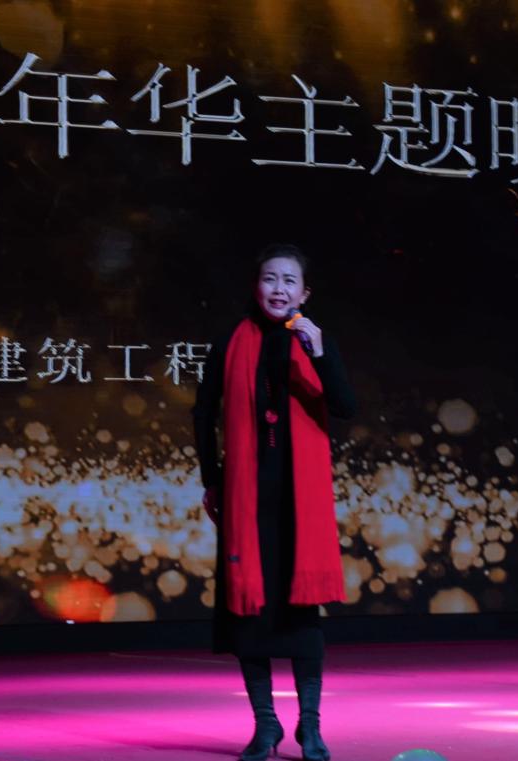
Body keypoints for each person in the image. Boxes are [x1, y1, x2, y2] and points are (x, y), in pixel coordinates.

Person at [192, 244, 356, 761]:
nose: (279, 289)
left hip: (298, 504)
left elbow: (345, 406)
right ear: (256, 286)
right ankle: (266, 725)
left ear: (304, 293)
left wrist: (319, 351)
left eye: (289, 281)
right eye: (270, 279)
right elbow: (203, 413)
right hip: (246, 500)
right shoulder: (230, 341)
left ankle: (311, 726)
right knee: (249, 616)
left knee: (302, 618)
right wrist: (212, 479)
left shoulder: (314, 341)